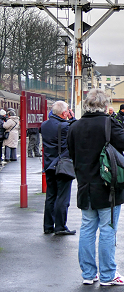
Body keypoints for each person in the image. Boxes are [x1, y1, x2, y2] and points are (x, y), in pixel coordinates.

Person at [67, 89, 124, 286]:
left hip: (84, 185)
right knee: (107, 229)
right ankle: (108, 275)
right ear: (105, 106)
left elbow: (72, 154)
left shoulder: (75, 126)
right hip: (108, 187)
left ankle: (88, 274)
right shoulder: (108, 123)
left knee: (87, 228)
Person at [41, 101, 76, 235]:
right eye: (67, 111)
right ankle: (60, 226)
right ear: (64, 113)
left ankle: (48, 226)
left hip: (49, 164)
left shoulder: (44, 125)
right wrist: (72, 118)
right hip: (63, 165)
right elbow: (76, 131)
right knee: (62, 197)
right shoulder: (65, 126)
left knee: (51, 196)